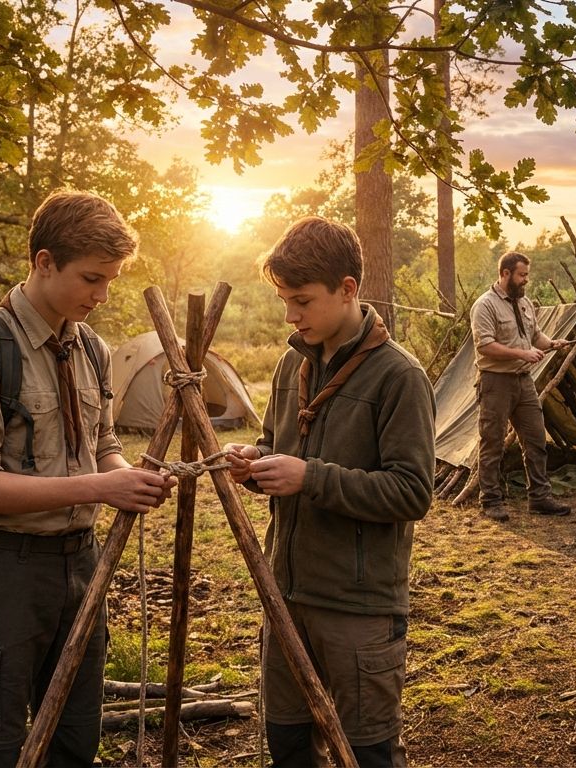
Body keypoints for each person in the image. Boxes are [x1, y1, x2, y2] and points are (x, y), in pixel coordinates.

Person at [0, 190, 177, 767]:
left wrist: (131, 479)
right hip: (1, 572)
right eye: (92, 278)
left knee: (74, 738)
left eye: (110, 280)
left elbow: (102, 446)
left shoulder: (91, 347)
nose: (102, 295)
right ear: (44, 262)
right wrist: (102, 487)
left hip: (81, 564)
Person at [223, 216, 435, 768]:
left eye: (302, 301)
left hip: (358, 606)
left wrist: (309, 477)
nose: (290, 316)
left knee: (368, 753)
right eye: (283, 301)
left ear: (347, 289)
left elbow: (412, 491)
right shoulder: (291, 363)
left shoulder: (398, 376)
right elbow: (277, 446)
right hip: (286, 595)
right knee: (289, 744)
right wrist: (255, 462)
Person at [468, 251, 573, 521]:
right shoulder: (485, 305)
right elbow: (485, 345)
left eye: (527, 274)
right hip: (495, 381)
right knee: (492, 441)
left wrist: (552, 344)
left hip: (523, 381)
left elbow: (534, 335)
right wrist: (522, 354)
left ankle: (539, 498)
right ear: (505, 273)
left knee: (536, 439)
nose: (526, 280)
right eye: (521, 275)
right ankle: (490, 500)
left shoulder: (524, 302)